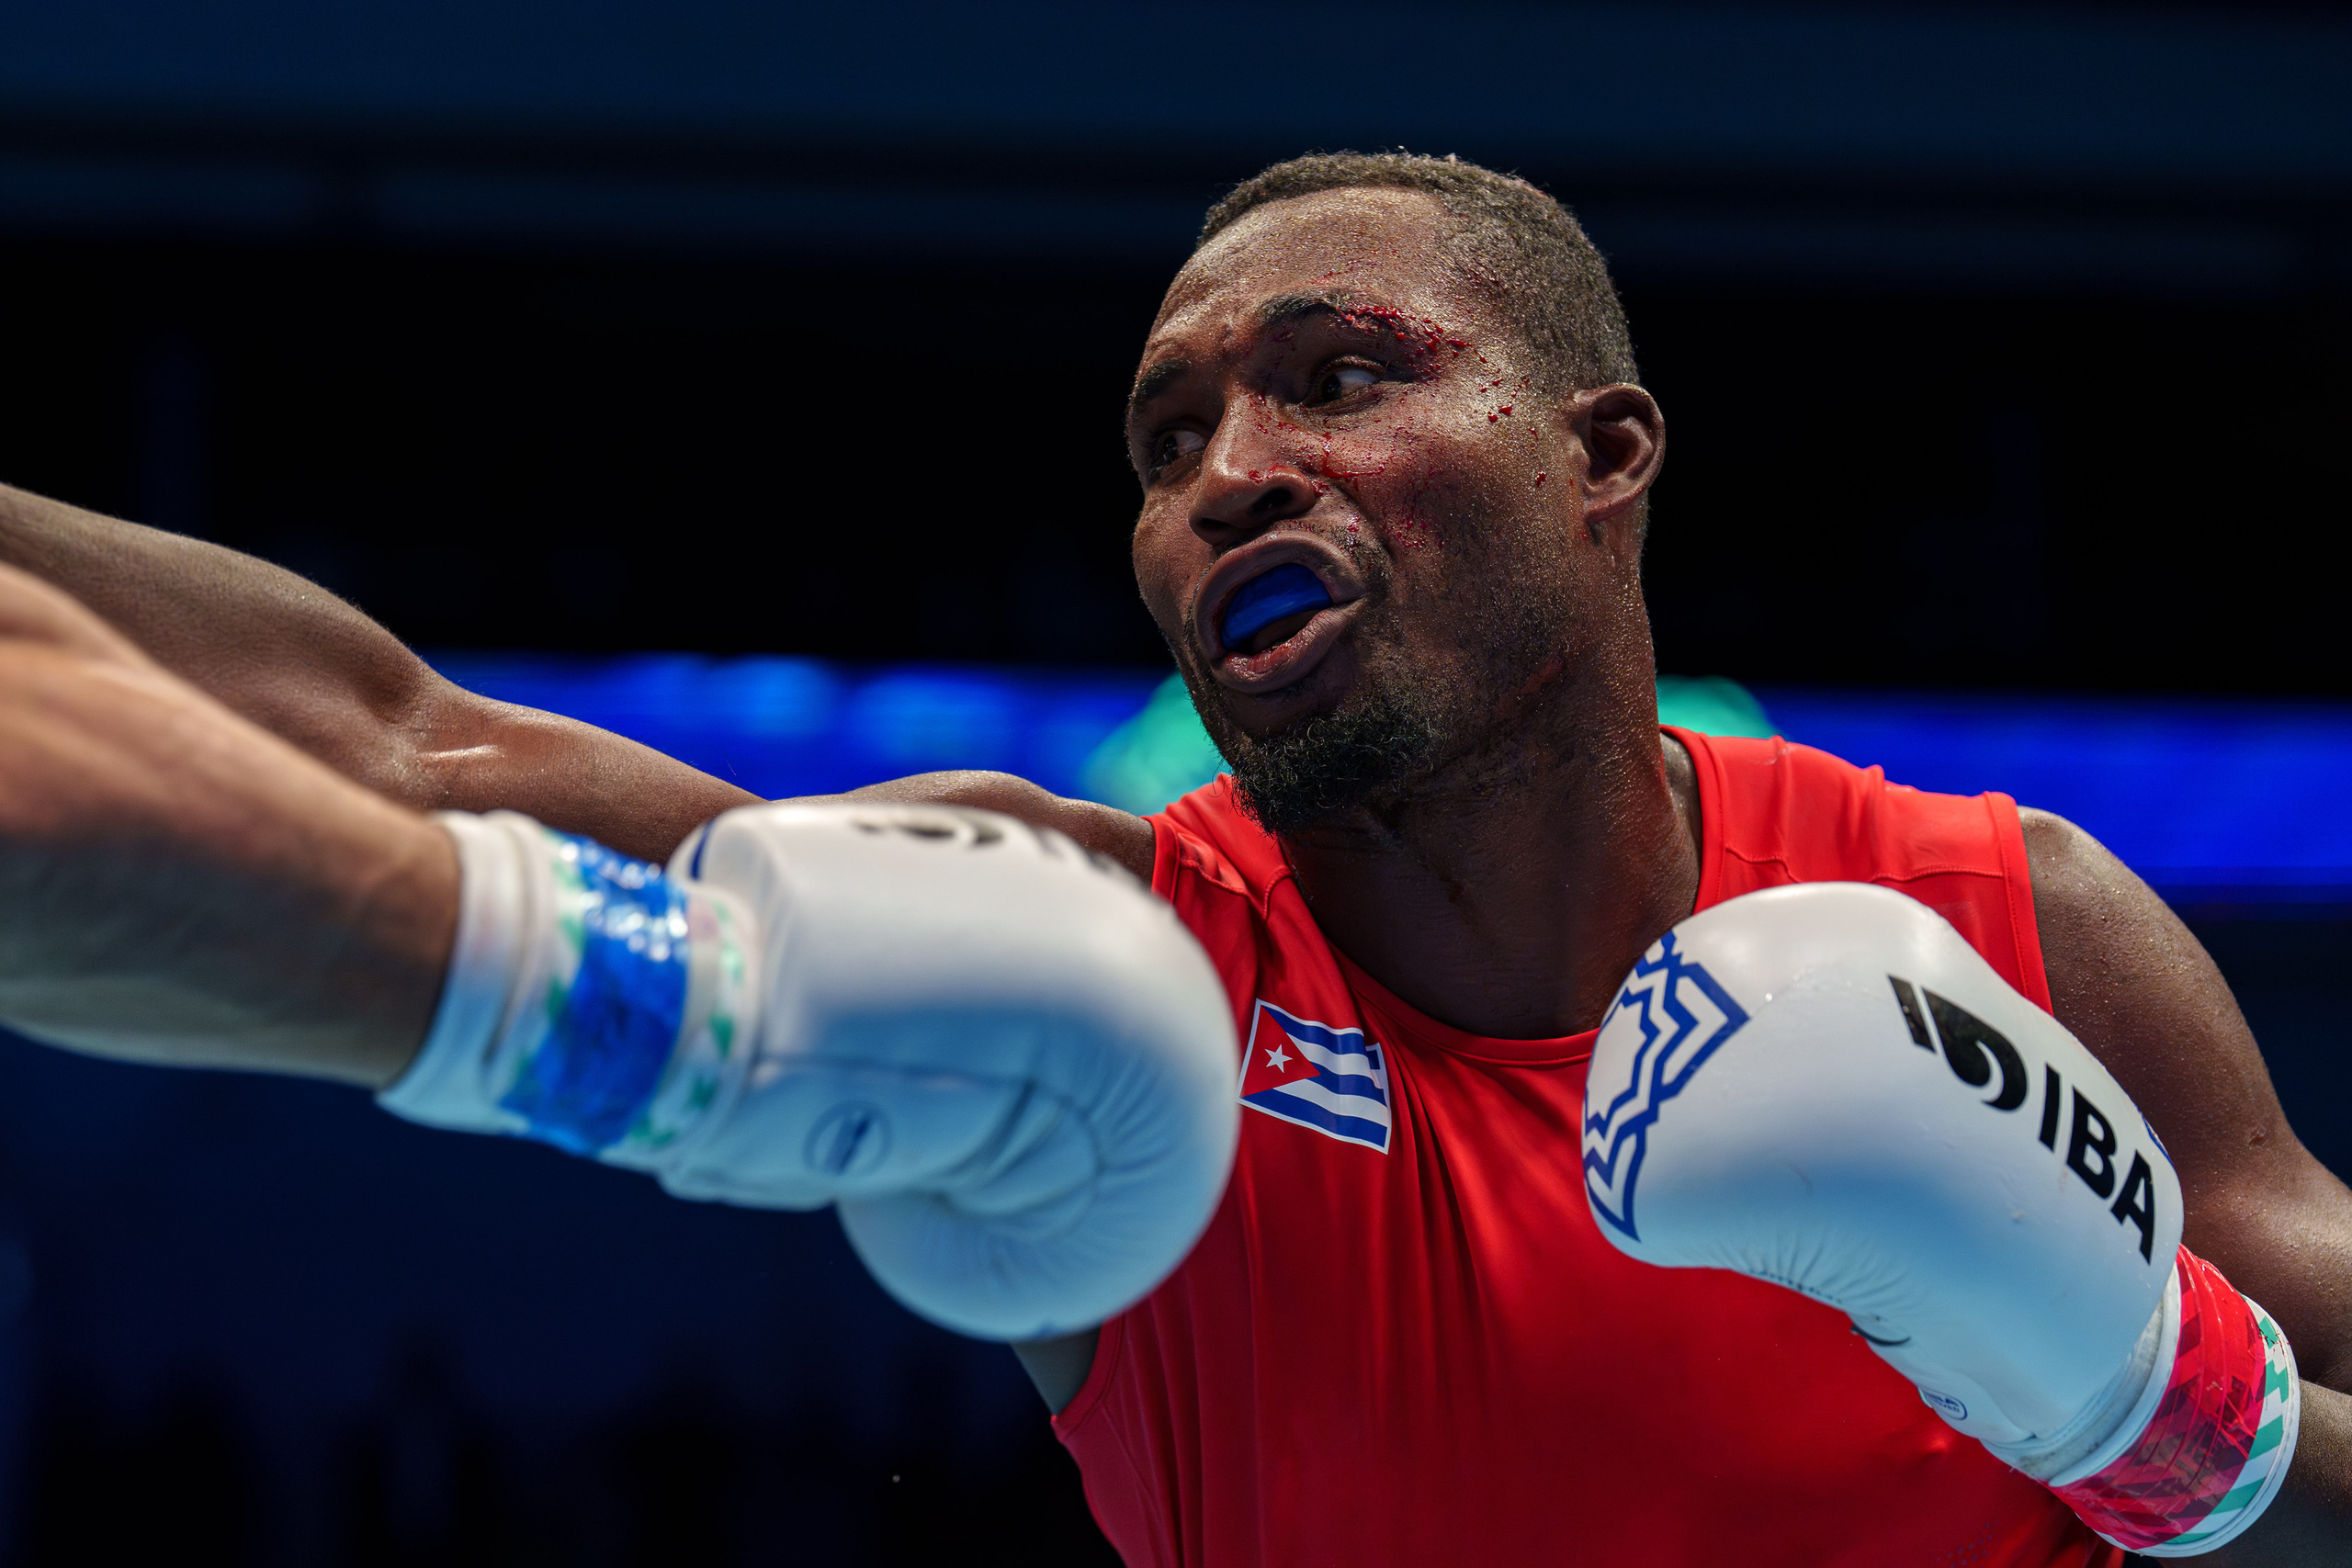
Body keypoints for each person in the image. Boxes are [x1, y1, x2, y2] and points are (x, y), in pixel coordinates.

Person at [3, 151, 2347, 1562]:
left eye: (1334, 375)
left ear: (1599, 447)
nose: (1223, 470)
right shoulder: (1106, 955)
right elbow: (397, 744)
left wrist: (2158, 1411)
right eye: (1166, 432)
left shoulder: (2008, 922)